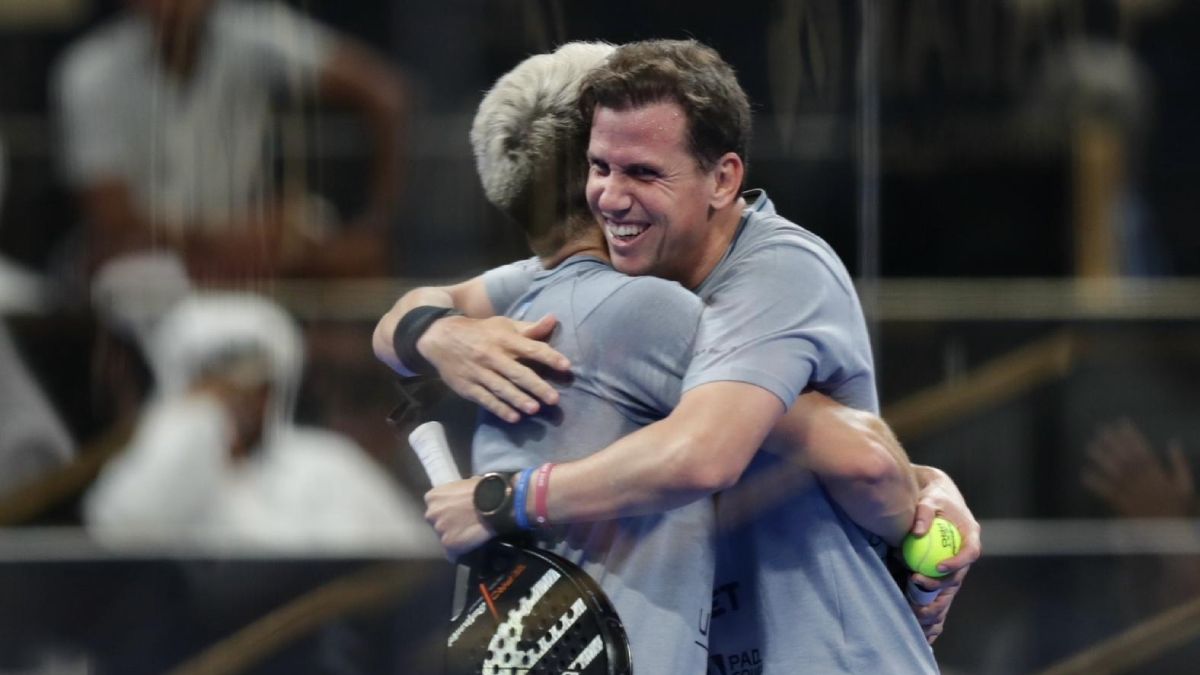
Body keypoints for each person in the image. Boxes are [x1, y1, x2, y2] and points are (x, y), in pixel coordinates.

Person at [375, 39, 978, 668]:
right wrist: (439, 334)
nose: (610, 196)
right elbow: (401, 322)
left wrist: (503, 500)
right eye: (599, 166)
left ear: (722, 179)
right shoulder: (622, 273)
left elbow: (725, 455)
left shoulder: (775, 273)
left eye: (642, 172)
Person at [53, 0, 407, 281]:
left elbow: (386, 94)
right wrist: (232, 236)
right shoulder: (90, 70)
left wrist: (374, 226)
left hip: (249, 255)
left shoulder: (252, 36)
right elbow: (115, 221)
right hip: (155, 260)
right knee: (133, 269)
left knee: (345, 261)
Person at [85, 291, 433, 553]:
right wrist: (190, 430)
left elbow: (404, 561)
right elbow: (121, 533)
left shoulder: (326, 466)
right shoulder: (153, 468)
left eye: (254, 385)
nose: (238, 400)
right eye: (214, 383)